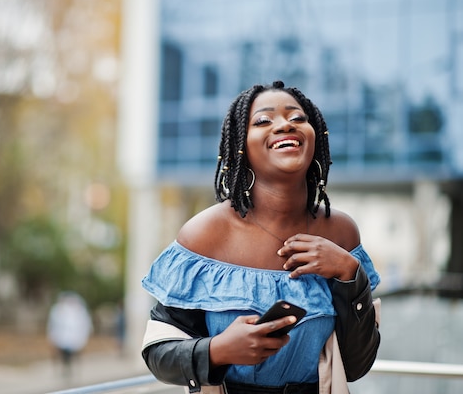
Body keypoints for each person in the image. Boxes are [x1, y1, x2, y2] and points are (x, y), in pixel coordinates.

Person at [141, 81, 380, 394]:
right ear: (241, 146)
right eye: (264, 121)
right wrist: (218, 350)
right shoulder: (205, 233)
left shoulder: (341, 233)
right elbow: (158, 354)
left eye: (297, 118)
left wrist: (349, 273)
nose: (284, 125)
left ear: (315, 136)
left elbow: (356, 364)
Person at [47, 291, 93, 376]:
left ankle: (72, 370)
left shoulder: (79, 310)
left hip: (75, 338)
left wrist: (83, 336)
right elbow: (53, 324)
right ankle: (66, 369)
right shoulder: (57, 309)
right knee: (64, 355)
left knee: (74, 355)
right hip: (62, 338)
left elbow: (84, 324)